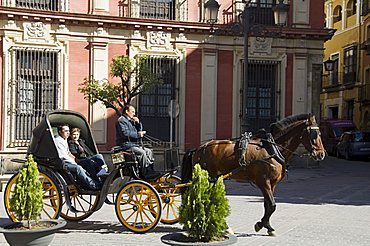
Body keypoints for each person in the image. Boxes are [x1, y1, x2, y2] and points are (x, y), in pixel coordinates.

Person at [116, 104, 160, 179]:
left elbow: (138, 130)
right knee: (142, 153)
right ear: (126, 111)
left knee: (149, 151)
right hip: (126, 145)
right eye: (132, 112)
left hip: (133, 145)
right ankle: (145, 173)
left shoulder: (131, 120)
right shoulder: (121, 120)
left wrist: (138, 123)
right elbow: (125, 134)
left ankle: (150, 170)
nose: (134, 114)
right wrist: (138, 134)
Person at [54, 124, 101, 190]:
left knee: (92, 160)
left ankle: (99, 177)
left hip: (71, 160)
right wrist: (75, 161)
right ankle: (92, 185)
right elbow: (63, 156)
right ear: (60, 132)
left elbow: (68, 153)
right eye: (66, 131)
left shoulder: (64, 140)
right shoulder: (58, 141)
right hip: (63, 163)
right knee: (78, 168)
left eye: (68, 131)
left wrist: (75, 159)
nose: (68, 133)